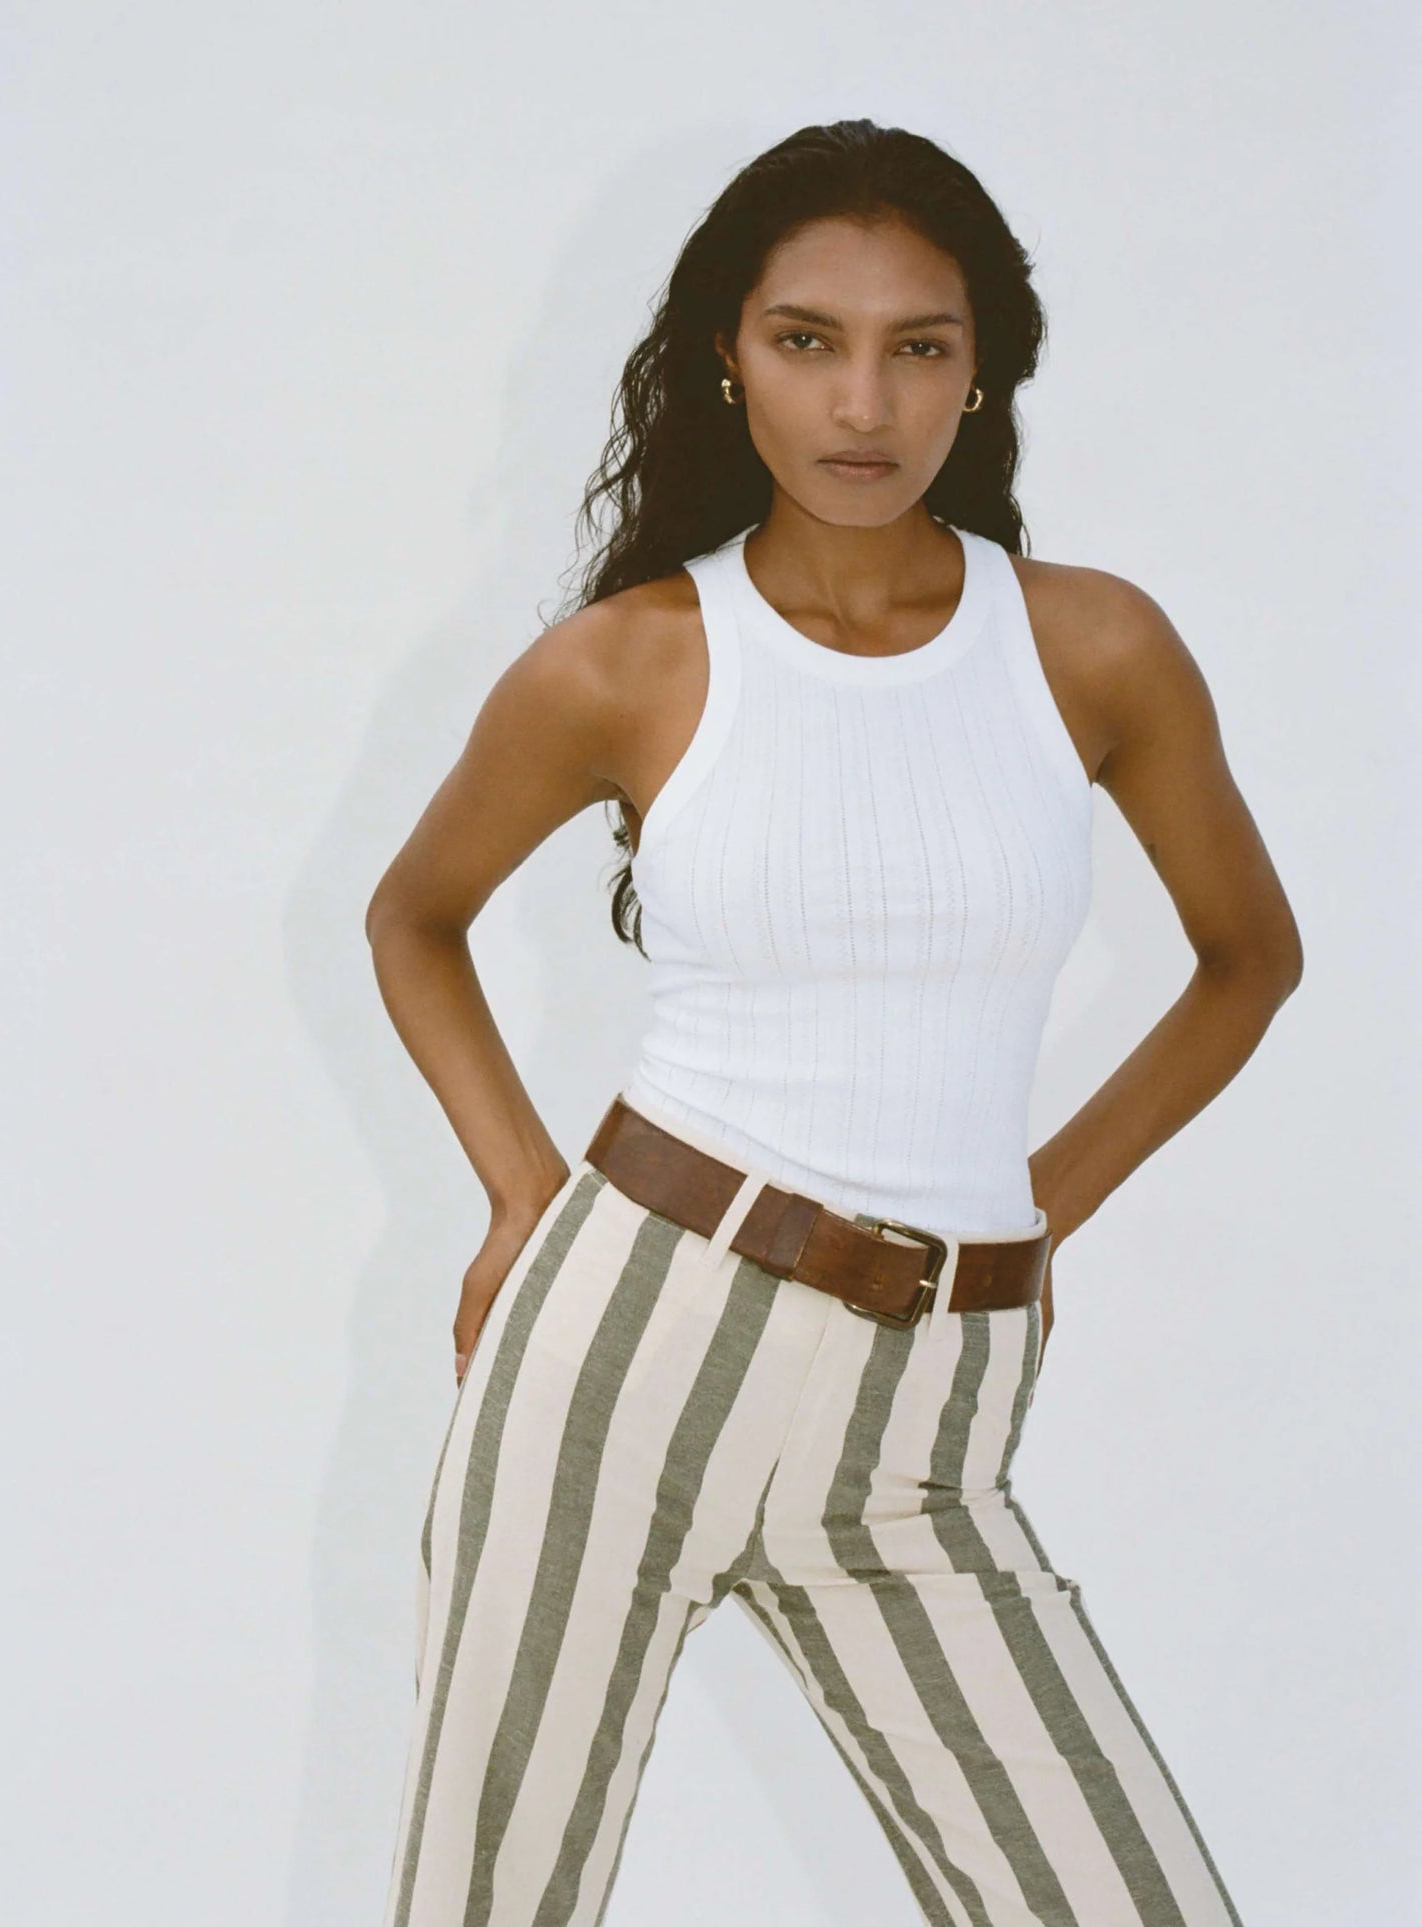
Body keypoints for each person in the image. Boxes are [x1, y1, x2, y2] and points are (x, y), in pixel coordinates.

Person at [365, 118, 1300, 1927]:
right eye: (807, 339)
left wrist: (1034, 1203)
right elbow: (414, 916)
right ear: (728, 353)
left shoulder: (1092, 649)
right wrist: (510, 1193)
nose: (861, 400)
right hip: (626, 1347)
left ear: (983, 368)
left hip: (930, 1407)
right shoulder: (627, 661)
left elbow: (1246, 958)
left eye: (917, 345)